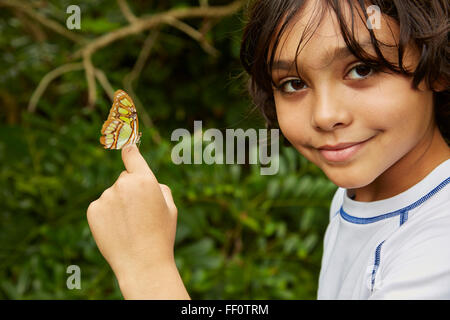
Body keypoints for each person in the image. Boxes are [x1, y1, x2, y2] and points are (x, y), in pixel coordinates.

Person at [87, 0, 449, 299]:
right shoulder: (360, 194)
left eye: (362, 69)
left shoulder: (437, 253)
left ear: (437, 66)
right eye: (293, 83)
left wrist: (147, 270)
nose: (325, 116)